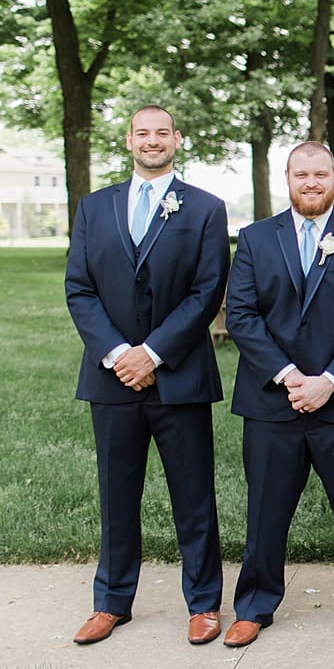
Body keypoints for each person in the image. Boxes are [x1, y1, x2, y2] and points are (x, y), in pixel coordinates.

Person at [65, 105, 229, 646]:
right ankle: (110, 601)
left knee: (193, 496)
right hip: (111, 379)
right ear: (129, 141)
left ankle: (203, 603)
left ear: (177, 140)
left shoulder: (205, 209)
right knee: (116, 495)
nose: (152, 141)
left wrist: (153, 353)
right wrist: (117, 353)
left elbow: (207, 292)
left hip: (179, 376)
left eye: (162, 133)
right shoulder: (94, 207)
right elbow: (80, 288)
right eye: (143, 133)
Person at [222, 141, 334, 648]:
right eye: (302, 174)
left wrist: (328, 381)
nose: (311, 182)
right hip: (273, 401)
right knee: (265, 512)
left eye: (320, 173)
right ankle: (254, 605)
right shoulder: (254, 239)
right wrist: (289, 375)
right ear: (287, 179)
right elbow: (242, 315)